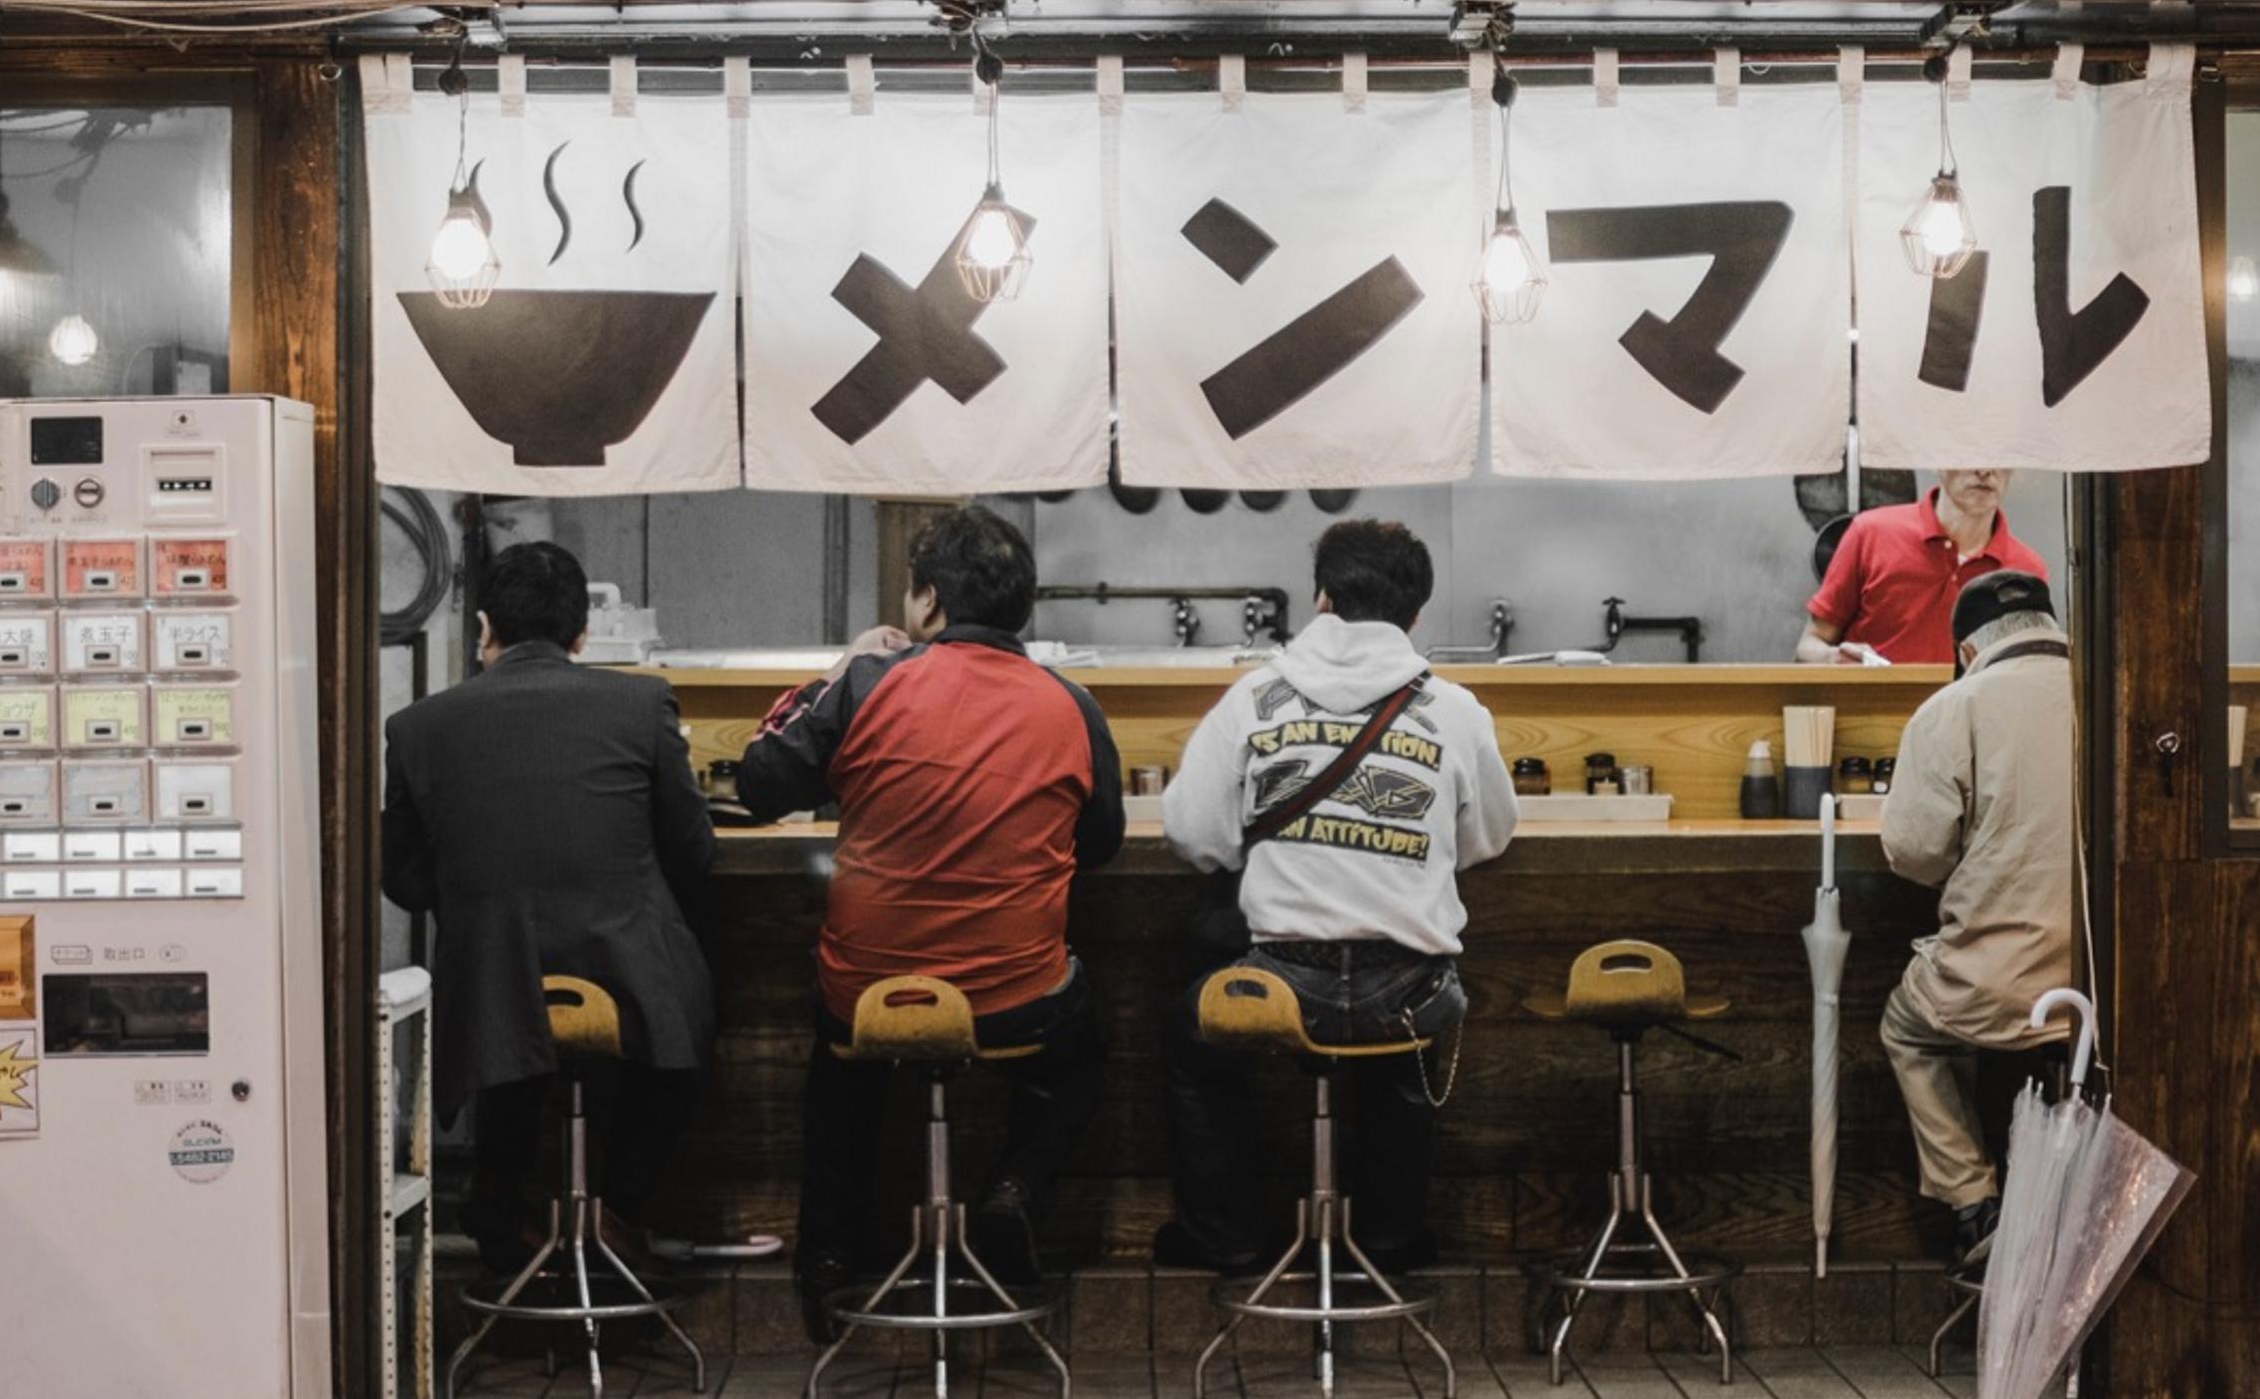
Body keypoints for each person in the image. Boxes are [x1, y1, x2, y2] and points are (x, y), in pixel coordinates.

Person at [735, 504, 1124, 1329]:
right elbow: (1102, 843)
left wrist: (838, 669)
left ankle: (829, 1256)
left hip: (870, 992)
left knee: (844, 1059)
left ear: (929, 602)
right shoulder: (1073, 706)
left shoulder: (870, 684)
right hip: (1016, 996)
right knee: (1083, 1042)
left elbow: (760, 782)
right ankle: (1016, 1191)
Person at [1155, 520, 1519, 1275]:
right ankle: (1387, 1242)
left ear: (1321, 597)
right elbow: (1489, 837)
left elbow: (1194, 836)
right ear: (1415, 614)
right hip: (1408, 990)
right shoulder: (1454, 710)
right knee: (1409, 1046)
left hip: (1281, 985)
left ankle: (1227, 1237)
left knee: (1193, 1035)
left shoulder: (1252, 698)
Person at [383, 541, 718, 1269]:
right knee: (685, 1022)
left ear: (482, 628)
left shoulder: (416, 728)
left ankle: (501, 1213)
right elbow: (694, 852)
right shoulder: (641, 703)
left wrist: (482, 896)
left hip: (490, 992)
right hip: (626, 979)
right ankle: (618, 1212)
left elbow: (402, 881)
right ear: (581, 634)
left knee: (514, 1022)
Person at [1876, 569, 2077, 1272]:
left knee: (1912, 1029)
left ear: (1967, 650)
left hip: (1994, 986)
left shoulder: (1953, 708)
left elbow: (1914, 856)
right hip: (2103, 989)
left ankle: (1976, 1203)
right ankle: (2070, 1207)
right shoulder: (2115, 692)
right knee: (2079, 1052)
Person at [1800, 468, 2047, 665]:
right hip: (1877, 718)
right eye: (1968, 452)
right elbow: (1808, 646)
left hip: (1975, 723)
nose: (1984, 470)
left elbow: (2032, 669)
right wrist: (1831, 658)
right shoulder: (1870, 534)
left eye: (1999, 456)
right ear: (1937, 461)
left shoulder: (2026, 569)